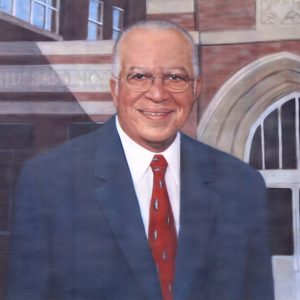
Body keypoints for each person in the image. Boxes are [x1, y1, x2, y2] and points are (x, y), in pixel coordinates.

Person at [5, 20, 274, 300]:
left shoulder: (242, 186)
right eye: (139, 77)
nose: (158, 94)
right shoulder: (48, 182)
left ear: (196, 89)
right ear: (115, 89)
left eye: (175, 77)